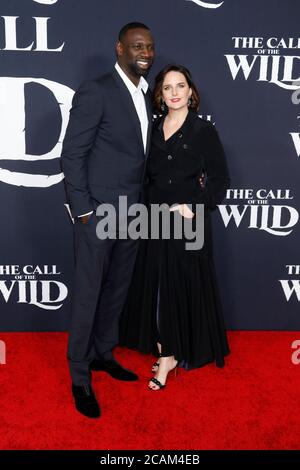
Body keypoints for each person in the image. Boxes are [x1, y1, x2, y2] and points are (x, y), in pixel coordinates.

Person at [61, 22, 155, 417]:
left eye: (149, 46)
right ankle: (80, 376)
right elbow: (72, 155)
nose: (144, 52)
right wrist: (83, 210)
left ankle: (103, 353)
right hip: (97, 213)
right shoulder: (96, 91)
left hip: (133, 212)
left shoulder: (146, 95)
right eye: (136, 46)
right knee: (87, 294)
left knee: (117, 289)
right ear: (120, 49)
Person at [120, 64, 230, 390]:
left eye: (180, 85)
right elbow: (144, 176)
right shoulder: (152, 129)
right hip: (153, 220)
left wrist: (193, 206)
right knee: (155, 285)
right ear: (160, 95)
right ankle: (163, 346)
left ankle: (168, 357)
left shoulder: (202, 131)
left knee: (178, 286)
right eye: (167, 88)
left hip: (187, 223)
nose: (175, 92)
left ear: (191, 91)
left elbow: (221, 179)